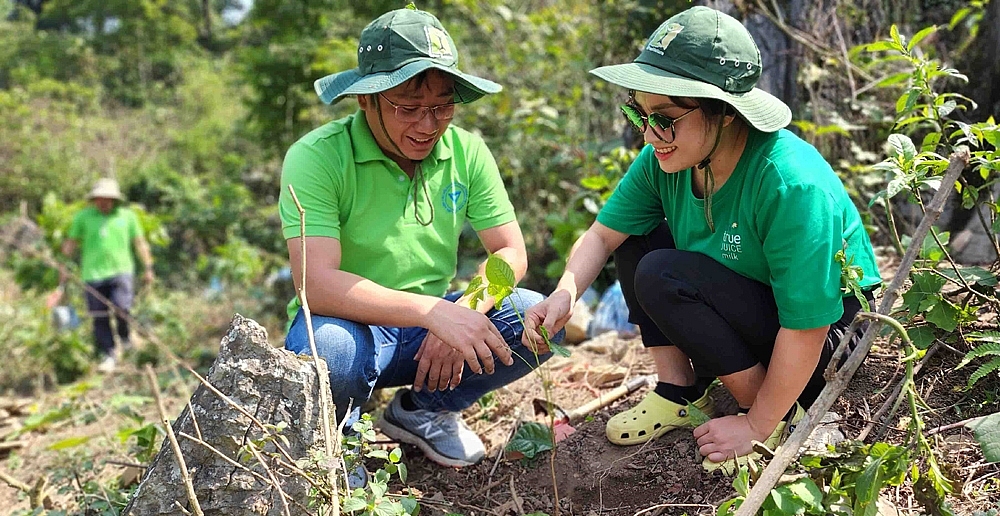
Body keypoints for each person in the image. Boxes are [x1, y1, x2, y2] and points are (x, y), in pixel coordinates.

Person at [523, 6, 881, 474]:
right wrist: (565, 293)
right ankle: (678, 390)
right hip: (753, 309)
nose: (650, 135)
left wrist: (755, 423)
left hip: (825, 337)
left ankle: (782, 418)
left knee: (660, 271)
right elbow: (603, 234)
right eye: (639, 113)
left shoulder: (790, 184)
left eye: (665, 118)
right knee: (637, 237)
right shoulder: (667, 159)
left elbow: (808, 325)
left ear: (727, 112)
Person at [279, 7, 562, 472]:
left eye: (442, 106)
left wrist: (467, 309)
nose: (428, 125)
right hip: (350, 327)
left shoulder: (466, 151)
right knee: (329, 350)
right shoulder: (318, 157)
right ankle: (339, 438)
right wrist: (435, 313)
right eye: (408, 108)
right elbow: (317, 284)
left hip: (427, 331)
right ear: (366, 100)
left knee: (535, 319)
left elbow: (511, 251)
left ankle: (423, 409)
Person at [61, 178, 155, 373]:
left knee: (122, 307)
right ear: (94, 200)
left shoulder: (127, 216)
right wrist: (63, 267)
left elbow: (139, 242)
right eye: (100, 199)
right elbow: (71, 243)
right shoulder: (83, 217)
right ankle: (109, 354)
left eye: (108, 199)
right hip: (92, 274)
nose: (104, 203)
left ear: (114, 200)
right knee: (99, 316)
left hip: (121, 270)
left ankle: (125, 337)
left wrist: (148, 267)